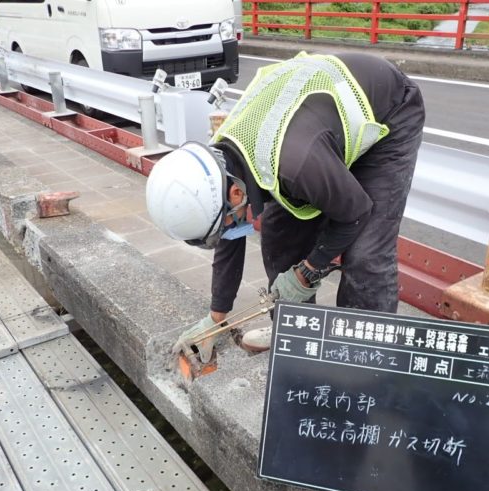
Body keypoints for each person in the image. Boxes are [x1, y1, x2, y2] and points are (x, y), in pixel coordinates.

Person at [146, 51, 425, 360]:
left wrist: (308, 269)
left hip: (389, 110)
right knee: (280, 237)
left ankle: (365, 358)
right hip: (316, 131)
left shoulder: (297, 164)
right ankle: (299, 334)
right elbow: (229, 235)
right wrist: (215, 318)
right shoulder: (223, 167)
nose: (227, 228)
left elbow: (355, 214)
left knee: (365, 253)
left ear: (235, 195)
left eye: (223, 223)